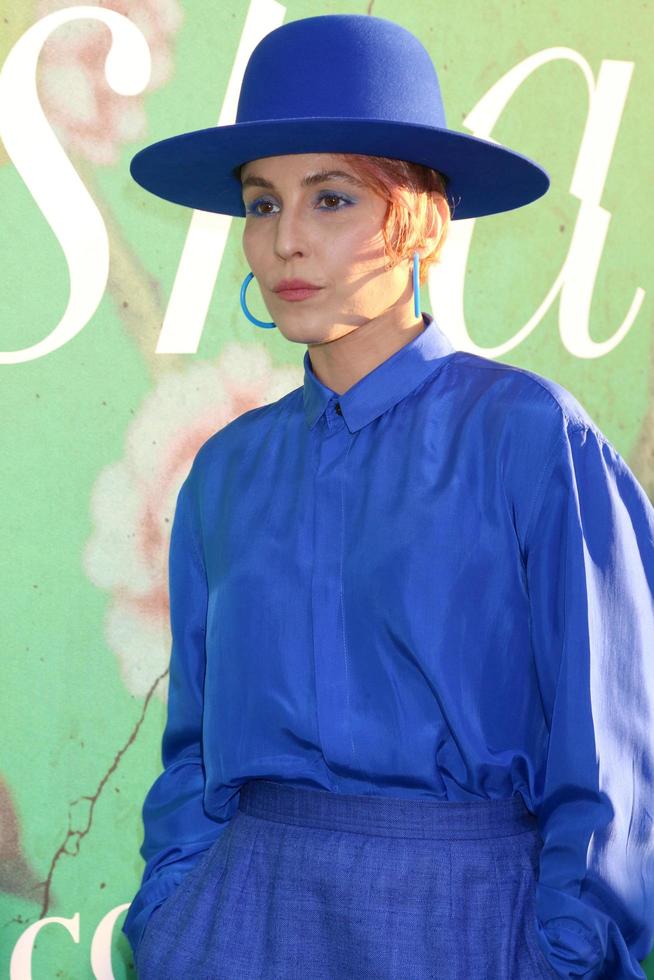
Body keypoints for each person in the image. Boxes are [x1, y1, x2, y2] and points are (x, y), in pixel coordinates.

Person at [122, 13, 654, 979]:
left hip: (470, 924)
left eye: (330, 199)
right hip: (240, 922)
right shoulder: (226, 467)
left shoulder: (534, 437)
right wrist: (174, 914)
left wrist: (565, 959)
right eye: (260, 203)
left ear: (425, 216)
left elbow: (613, 763)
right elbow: (194, 750)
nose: (285, 242)